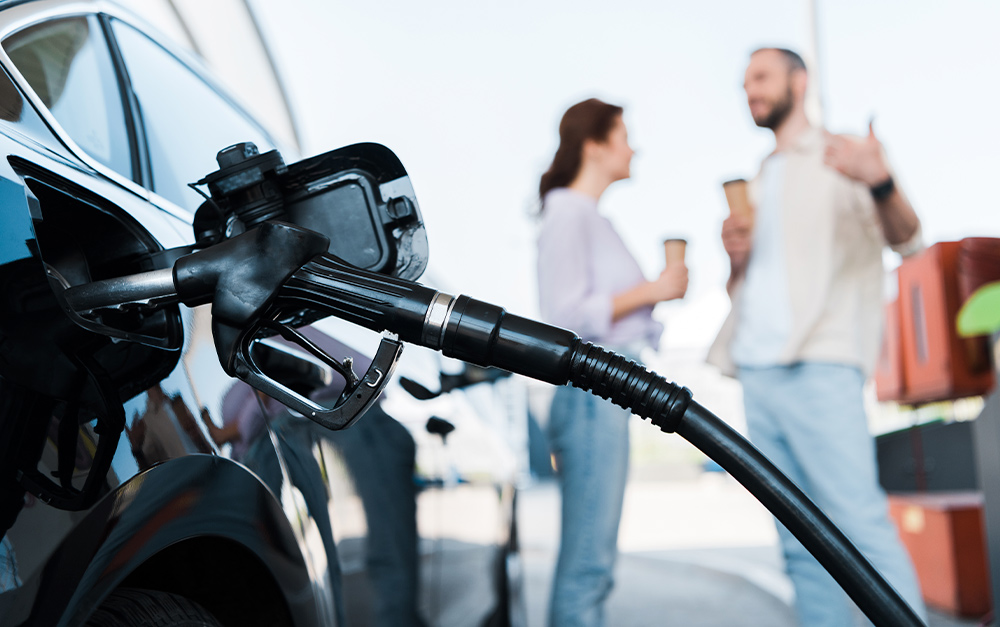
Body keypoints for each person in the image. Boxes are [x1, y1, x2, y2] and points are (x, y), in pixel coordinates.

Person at [708, 47, 927, 626]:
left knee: (859, 528)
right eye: (744, 80)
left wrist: (880, 180)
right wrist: (736, 261)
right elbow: (748, 292)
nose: (749, 89)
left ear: (798, 82)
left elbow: (907, 238)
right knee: (798, 544)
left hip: (820, 363)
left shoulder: (841, 155)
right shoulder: (758, 177)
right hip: (756, 369)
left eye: (761, 76)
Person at [536, 98, 687, 627]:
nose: (633, 146)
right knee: (589, 563)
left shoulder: (592, 217)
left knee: (593, 558)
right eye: (623, 135)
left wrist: (655, 299)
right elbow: (564, 315)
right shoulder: (566, 213)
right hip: (590, 390)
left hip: (607, 386)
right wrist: (652, 289)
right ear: (594, 145)